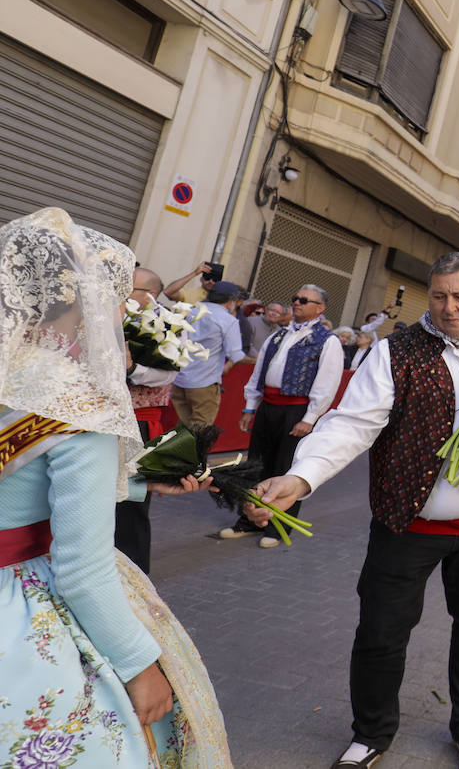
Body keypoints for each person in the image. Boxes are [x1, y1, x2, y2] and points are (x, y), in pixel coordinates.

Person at [245, 252, 459, 769]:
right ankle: (371, 734)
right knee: (382, 630)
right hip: (407, 522)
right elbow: (352, 424)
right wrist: (301, 477)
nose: (449, 307)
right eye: (439, 296)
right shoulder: (396, 351)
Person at [0, 207, 231, 767]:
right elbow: (82, 567)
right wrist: (138, 665)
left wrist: (136, 483)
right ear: (85, 302)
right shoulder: (78, 403)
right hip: (26, 605)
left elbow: (23, 483)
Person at [220, 283, 343, 549]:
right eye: (295, 298)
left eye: (304, 300)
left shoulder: (327, 341)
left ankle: (278, 526)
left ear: (319, 308)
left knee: (286, 468)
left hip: (296, 410)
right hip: (269, 406)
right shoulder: (278, 336)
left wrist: (309, 418)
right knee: (256, 465)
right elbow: (259, 373)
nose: (296, 303)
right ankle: (249, 520)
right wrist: (250, 407)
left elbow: (327, 383)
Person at [116, 265, 180, 573]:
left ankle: (134, 576)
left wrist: (130, 368)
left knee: (130, 507)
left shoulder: (167, 325)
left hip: (138, 425)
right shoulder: (111, 318)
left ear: (150, 295)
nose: (123, 292)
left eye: (131, 288)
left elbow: (166, 374)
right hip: (105, 422)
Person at [171, 280, 246, 429]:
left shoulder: (190, 311)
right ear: (230, 301)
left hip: (179, 379)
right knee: (201, 429)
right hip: (204, 382)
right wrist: (256, 360)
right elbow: (236, 355)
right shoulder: (228, 320)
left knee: (182, 428)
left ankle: (176, 452)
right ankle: (192, 453)